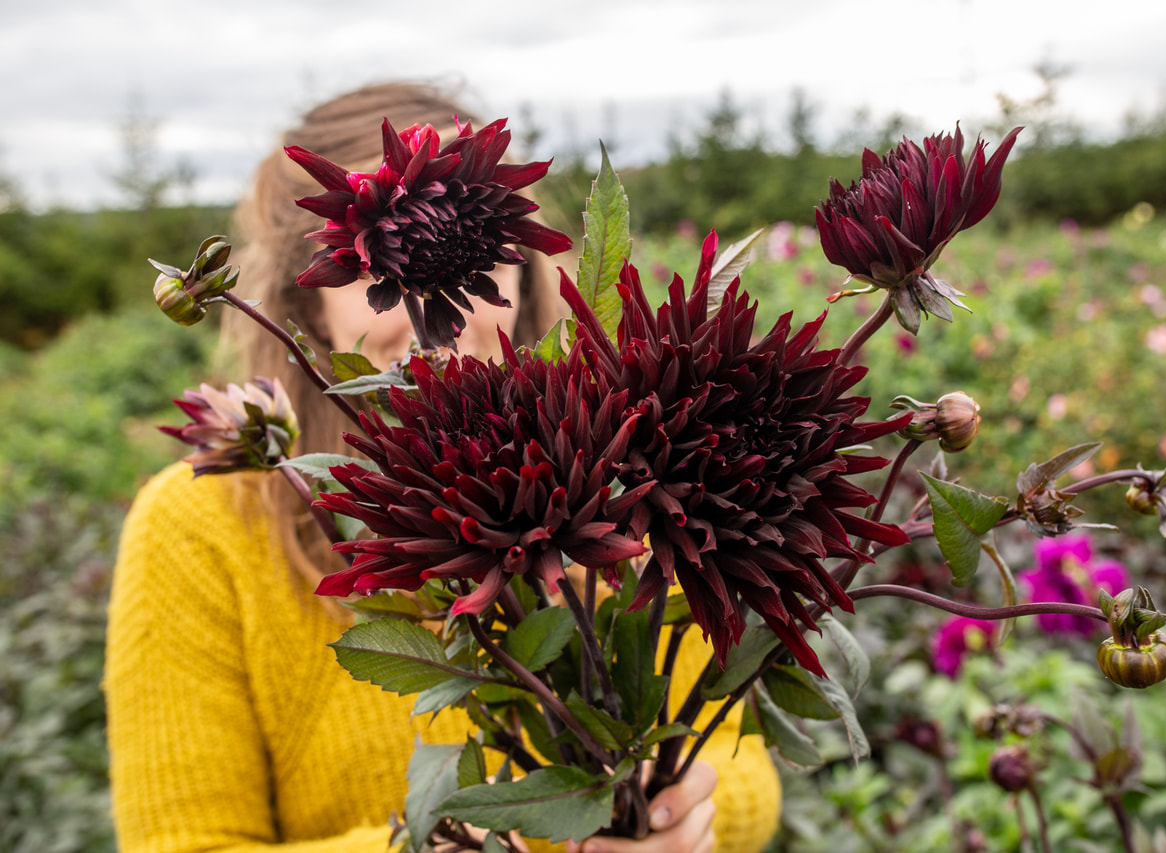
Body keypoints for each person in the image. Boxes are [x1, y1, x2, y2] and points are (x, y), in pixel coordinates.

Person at [104, 81, 781, 853]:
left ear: (526, 272)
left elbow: (741, 745)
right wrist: (458, 841)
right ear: (311, 302)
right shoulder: (199, 529)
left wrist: (696, 812)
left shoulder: (629, 461)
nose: (443, 308)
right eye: (379, 265)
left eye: (478, 254)